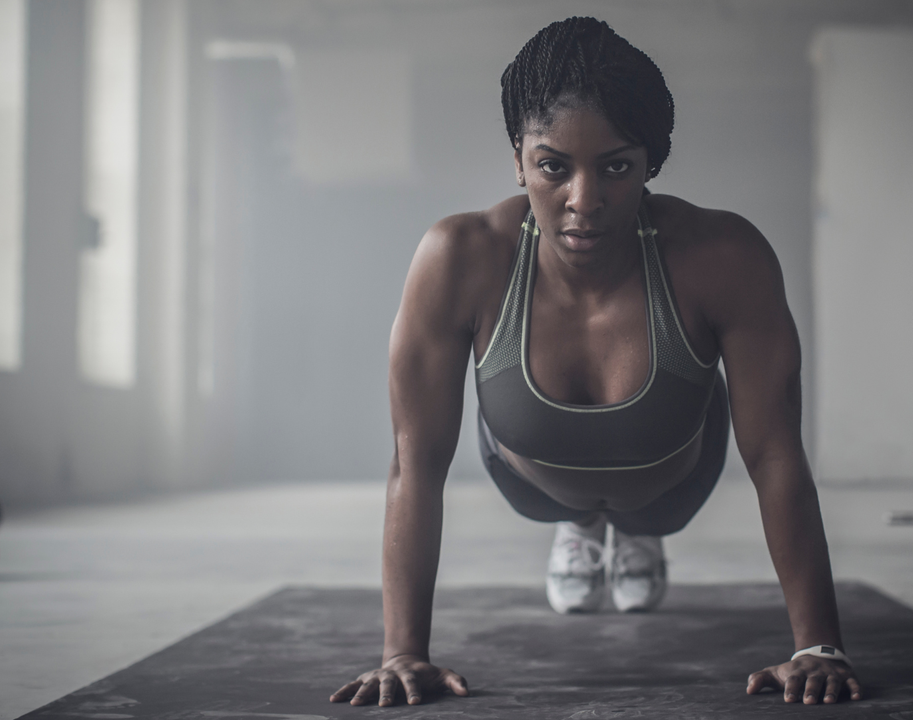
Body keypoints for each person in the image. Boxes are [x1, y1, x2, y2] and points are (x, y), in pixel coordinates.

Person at [330, 16, 863, 709]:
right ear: (518, 159)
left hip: (672, 482)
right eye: (554, 166)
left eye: (616, 166)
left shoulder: (725, 258)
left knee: (646, 512)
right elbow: (415, 460)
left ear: (651, 164)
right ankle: (579, 526)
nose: (585, 201)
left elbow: (775, 455)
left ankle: (632, 534)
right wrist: (403, 652)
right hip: (531, 478)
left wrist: (817, 645)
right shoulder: (460, 258)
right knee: (569, 500)